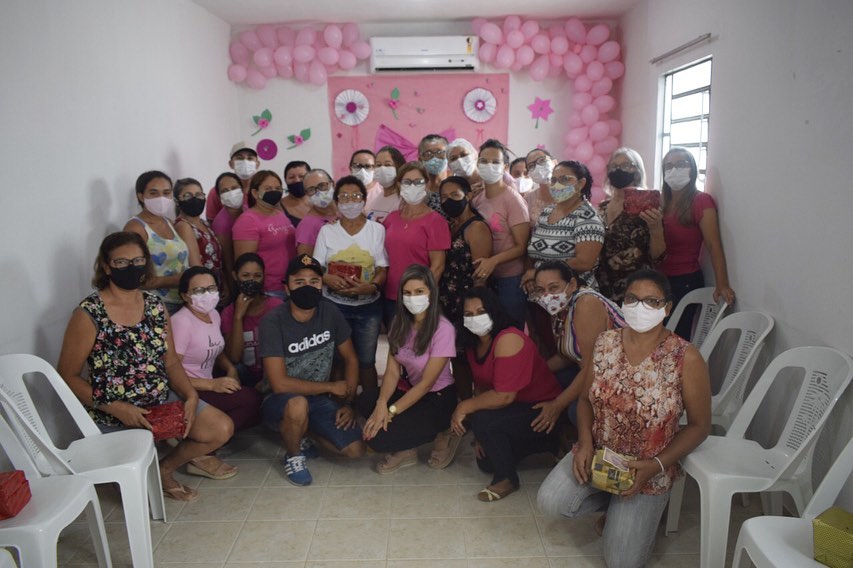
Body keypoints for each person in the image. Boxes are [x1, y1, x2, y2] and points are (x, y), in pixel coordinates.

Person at [537, 269, 711, 568]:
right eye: (632, 299)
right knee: (550, 501)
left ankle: (640, 509)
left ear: (667, 308)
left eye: (651, 301)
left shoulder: (686, 357)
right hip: (600, 455)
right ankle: (615, 504)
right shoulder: (605, 343)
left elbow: (699, 425)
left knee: (621, 562)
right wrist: (585, 443)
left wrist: (656, 466)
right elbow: (584, 400)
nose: (640, 307)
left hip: (648, 468)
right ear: (622, 302)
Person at [56, 232, 236, 502]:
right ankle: (140, 472)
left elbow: (171, 361)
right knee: (136, 494)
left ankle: (165, 470)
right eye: (121, 262)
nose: (132, 268)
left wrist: (190, 395)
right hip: (112, 411)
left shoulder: (155, 305)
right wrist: (116, 407)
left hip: (160, 401)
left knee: (220, 428)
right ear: (106, 267)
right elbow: (67, 376)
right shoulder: (89, 313)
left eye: (138, 261)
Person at [259, 254, 365, 486]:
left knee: (355, 450)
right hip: (279, 400)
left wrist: (348, 403)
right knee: (297, 404)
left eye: (314, 281)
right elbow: (279, 384)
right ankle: (294, 455)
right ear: (286, 288)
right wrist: (331, 387)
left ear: (321, 285)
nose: (307, 287)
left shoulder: (330, 312)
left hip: (318, 398)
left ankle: (301, 431)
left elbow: (351, 358)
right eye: (299, 282)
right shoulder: (273, 321)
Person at [451, 287, 563, 501]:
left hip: (541, 409)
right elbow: (483, 388)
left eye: (481, 311)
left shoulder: (508, 338)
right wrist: (480, 437)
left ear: (494, 311)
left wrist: (463, 406)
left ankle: (506, 479)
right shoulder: (474, 344)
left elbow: (504, 396)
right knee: (486, 461)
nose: (475, 318)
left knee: (484, 420)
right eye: (468, 314)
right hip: (515, 409)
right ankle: (549, 444)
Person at [359, 264, 460, 473]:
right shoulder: (399, 322)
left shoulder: (443, 329)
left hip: (437, 397)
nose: (413, 298)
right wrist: (381, 404)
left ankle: (443, 433)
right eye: (407, 293)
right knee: (365, 402)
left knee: (378, 439)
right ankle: (408, 447)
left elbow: (426, 384)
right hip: (410, 389)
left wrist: (390, 412)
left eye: (419, 291)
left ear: (431, 293)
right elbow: (392, 371)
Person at [313, 175, 388, 391]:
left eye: (355, 196)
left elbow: (383, 268)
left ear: (364, 200)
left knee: (366, 360)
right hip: (334, 307)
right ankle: (339, 403)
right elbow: (315, 265)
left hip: (368, 307)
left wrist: (371, 287)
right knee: (337, 359)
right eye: (344, 196)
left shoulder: (376, 230)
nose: (350, 201)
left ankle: (370, 402)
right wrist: (326, 278)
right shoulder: (327, 231)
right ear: (336, 202)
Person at [172, 266, 262, 444]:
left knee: (256, 403)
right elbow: (171, 374)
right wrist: (212, 385)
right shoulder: (181, 322)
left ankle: (212, 435)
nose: (207, 295)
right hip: (189, 390)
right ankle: (205, 441)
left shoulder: (213, 314)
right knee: (250, 399)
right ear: (185, 296)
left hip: (208, 383)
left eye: (211, 288)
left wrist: (230, 369)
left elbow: (214, 348)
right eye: (199, 290)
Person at [531, 261, 626, 425]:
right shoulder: (559, 308)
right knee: (547, 381)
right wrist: (533, 373)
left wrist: (557, 405)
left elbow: (592, 367)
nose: (547, 296)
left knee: (577, 410)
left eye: (553, 288)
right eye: (541, 290)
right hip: (599, 371)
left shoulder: (586, 304)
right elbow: (567, 354)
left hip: (624, 374)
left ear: (572, 285)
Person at [659, 147, 735, 339]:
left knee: (677, 338)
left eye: (681, 164)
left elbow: (713, 245)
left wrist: (722, 284)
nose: (674, 170)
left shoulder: (701, 201)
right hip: (658, 279)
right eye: (669, 166)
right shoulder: (660, 203)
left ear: (692, 169)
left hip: (685, 280)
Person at [437, 176, 492, 399]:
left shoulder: (476, 227)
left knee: (471, 354)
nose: (448, 201)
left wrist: (474, 307)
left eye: (454, 195)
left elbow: (481, 274)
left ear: (468, 196)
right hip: (449, 300)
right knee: (457, 355)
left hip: (468, 302)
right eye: (443, 197)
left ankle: (475, 403)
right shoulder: (451, 224)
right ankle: (462, 400)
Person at [382, 162, 451, 326]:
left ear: (426, 184)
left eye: (418, 182)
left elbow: (438, 266)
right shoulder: (391, 218)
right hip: (391, 296)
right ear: (399, 185)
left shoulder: (435, 221)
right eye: (407, 182)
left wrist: (420, 295)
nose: (412, 186)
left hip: (419, 299)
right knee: (395, 340)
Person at [471, 139, 530, 327]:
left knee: (510, 329)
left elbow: (522, 247)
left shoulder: (512, 200)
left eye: (495, 162)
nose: (489, 166)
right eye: (484, 161)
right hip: (486, 277)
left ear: (504, 167)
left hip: (510, 279)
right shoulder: (478, 199)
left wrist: (493, 261)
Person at [595, 148, 666, 304]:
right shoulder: (602, 207)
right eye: (614, 166)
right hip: (602, 287)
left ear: (637, 171)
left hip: (635, 290)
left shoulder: (648, 206)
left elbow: (657, 256)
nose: (619, 170)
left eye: (626, 165)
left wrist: (655, 228)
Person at [523, 160, 604, 292]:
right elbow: (531, 250)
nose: (557, 185)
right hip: (542, 291)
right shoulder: (546, 212)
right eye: (554, 180)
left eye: (565, 179)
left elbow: (584, 262)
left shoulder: (588, 218)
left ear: (581, 183)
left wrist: (538, 272)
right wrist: (531, 277)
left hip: (574, 292)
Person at [123, 170, 192, 314]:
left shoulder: (170, 223)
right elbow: (135, 277)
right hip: (156, 305)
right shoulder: (136, 227)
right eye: (154, 193)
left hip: (183, 300)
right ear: (141, 196)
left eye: (166, 193)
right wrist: (176, 280)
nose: (161, 198)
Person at [221, 253, 283, 388]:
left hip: (273, 373)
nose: (251, 281)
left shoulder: (276, 306)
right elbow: (234, 358)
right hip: (246, 376)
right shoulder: (228, 313)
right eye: (245, 276)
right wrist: (238, 317)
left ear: (263, 277)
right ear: (235, 276)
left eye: (257, 276)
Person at [232, 170, 296, 299]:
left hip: (289, 285)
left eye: (278, 188)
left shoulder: (280, 213)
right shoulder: (247, 221)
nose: (274, 192)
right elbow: (245, 264)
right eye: (268, 189)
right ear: (255, 193)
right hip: (267, 290)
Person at [173, 178, 227, 303]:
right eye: (188, 196)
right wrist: (210, 290)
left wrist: (224, 284)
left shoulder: (204, 223)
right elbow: (195, 265)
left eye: (199, 195)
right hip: (203, 291)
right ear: (177, 201)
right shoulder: (183, 226)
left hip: (215, 287)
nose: (195, 199)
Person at [211, 172, 246, 298]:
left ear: (242, 189)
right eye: (225, 190)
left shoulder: (248, 209)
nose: (231, 193)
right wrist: (235, 289)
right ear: (219, 196)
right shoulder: (221, 223)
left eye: (234, 188)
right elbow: (227, 261)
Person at [205, 142, 261, 220]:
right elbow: (211, 222)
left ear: (257, 164)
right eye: (239, 158)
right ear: (231, 164)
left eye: (250, 158)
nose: (245, 162)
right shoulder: (217, 192)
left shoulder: (263, 190)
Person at [295, 169, 338, 256]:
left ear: (332, 184)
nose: (318, 193)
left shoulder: (345, 211)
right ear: (307, 194)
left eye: (322, 186)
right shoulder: (307, 226)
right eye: (311, 190)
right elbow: (305, 260)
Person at [364, 145, 405, 224]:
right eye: (378, 165)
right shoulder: (376, 199)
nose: (382, 169)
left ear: (399, 167)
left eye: (387, 165)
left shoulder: (403, 201)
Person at [523, 148, 557, 226]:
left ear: (554, 162)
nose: (538, 167)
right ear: (529, 174)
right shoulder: (527, 200)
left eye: (542, 160)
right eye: (531, 166)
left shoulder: (570, 194)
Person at [281, 160, 312, 227]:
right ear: (285, 180)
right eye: (291, 177)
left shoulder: (320, 203)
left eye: (302, 176)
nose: (297, 180)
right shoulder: (278, 207)